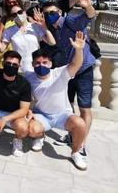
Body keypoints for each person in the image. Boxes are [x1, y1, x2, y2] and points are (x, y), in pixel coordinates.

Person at [41, 0, 96, 157]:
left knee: (84, 108)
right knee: (69, 106)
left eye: (53, 12)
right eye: (47, 14)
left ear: (59, 12)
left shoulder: (70, 21)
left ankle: (81, 144)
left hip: (84, 70)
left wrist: (88, 6)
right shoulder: (53, 29)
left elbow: (89, 16)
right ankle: (72, 136)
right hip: (69, 71)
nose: (50, 15)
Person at [26, 32, 88, 170]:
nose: (40, 65)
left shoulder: (60, 73)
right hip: (42, 115)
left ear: (51, 63)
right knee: (31, 129)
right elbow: (24, 97)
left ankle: (76, 152)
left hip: (62, 115)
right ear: (32, 64)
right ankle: (40, 136)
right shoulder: (28, 77)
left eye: (44, 62)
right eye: (37, 63)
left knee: (80, 124)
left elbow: (76, 64)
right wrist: (29, 110)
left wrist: (78, 49)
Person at [0, 6, 56, 73]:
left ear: (25, 13)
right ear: (11, 18)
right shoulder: (9, 30)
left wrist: (45, 27)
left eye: (20, 12)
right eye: (14, 14)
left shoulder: (35, 27)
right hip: (19, 69)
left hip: (36, 67)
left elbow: (52, 42)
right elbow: (1, 49)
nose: (18, 15)